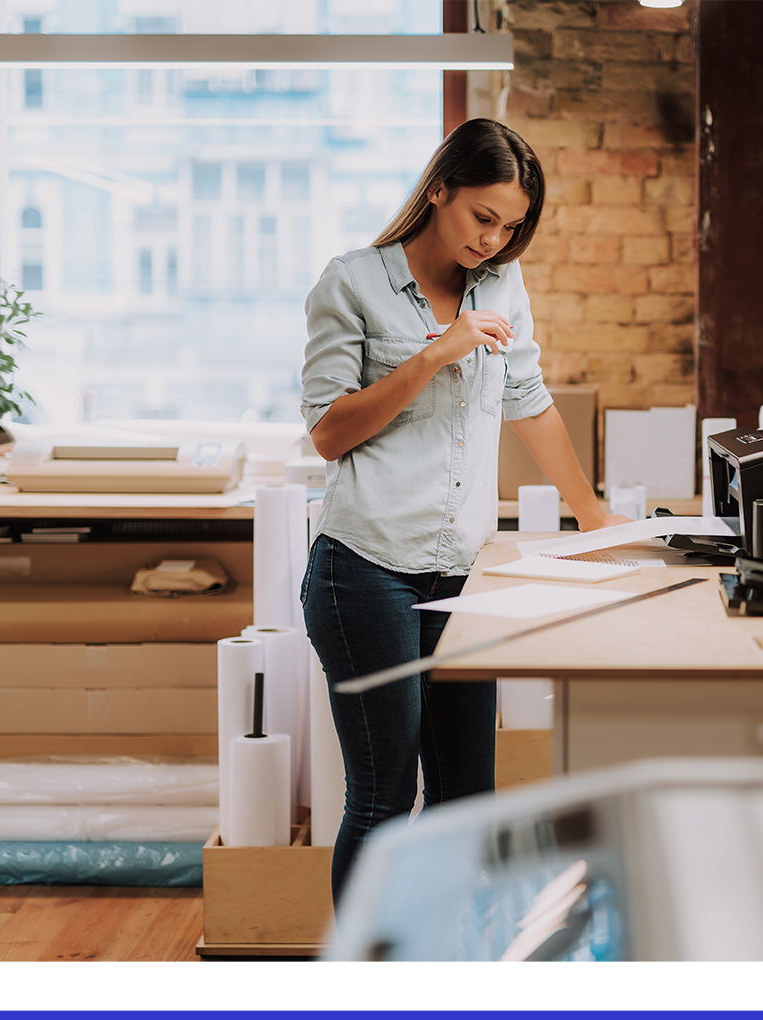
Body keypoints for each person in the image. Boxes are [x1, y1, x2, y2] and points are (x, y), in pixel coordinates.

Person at [299, 118, 628, 898]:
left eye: (511, 227)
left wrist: (592, 513)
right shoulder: (351, 283)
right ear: (439, 187)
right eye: (484, 218)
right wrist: (434, 354)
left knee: (465, 804)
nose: (494, 240)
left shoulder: (502, 285)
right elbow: (327, 432)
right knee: (384, 802)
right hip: (364, 570)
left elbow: (528, 400)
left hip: (461, 579)